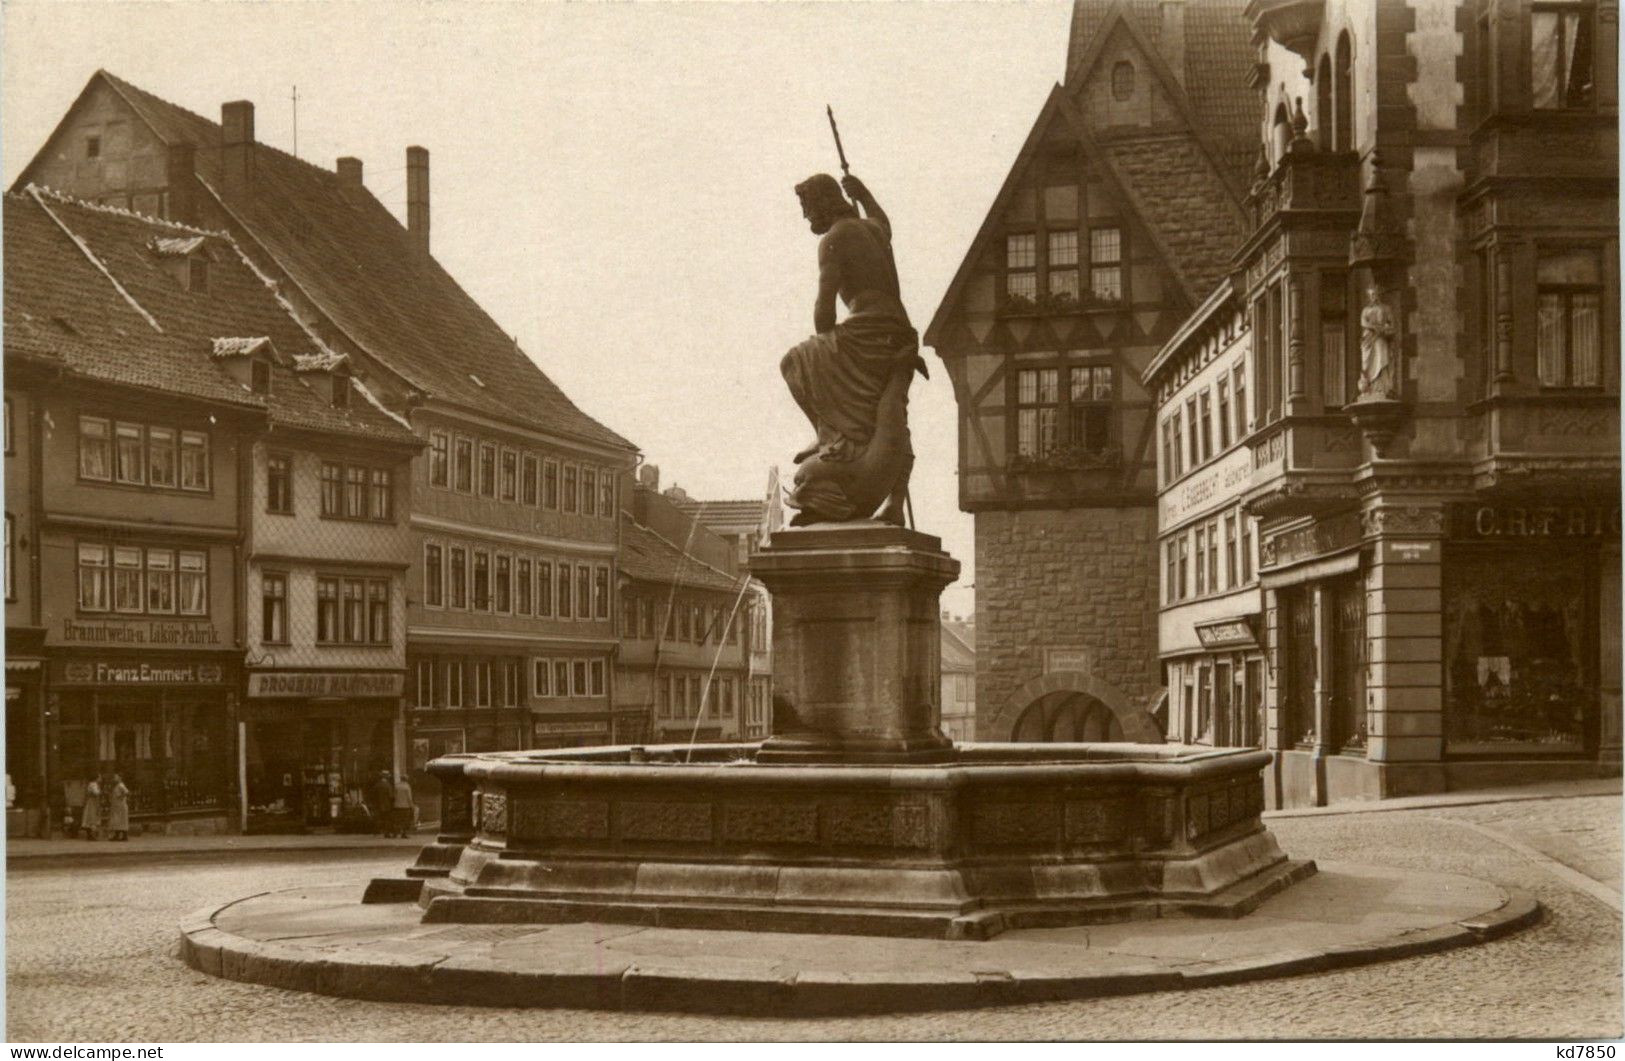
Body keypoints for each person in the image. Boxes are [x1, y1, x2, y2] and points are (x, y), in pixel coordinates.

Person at [779, 172, 927, 525]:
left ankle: (826, 434)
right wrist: (865, 192)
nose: (805, 216)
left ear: (823, 202)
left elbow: (824, 307)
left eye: (807, 206)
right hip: (900, 330)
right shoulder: (871, 229)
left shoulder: (833, 238)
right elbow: (884, 221)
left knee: (794, 362)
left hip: (868, 328)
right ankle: (894, 503)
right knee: (888, 410)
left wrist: (827, 351)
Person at [105, 774, 130, 842]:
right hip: (117, 806)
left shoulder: (121, 785)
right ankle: (117, 835)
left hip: (121, 806)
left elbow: (126, 792)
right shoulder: (116, 786)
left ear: (120, 778)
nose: (114, 779)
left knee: (121, 820)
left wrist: (121, 797)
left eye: (115, 777)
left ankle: (124, 835)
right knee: (117, 821)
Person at [390, 773, 415, 839]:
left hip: (397, 805)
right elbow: (409, 798)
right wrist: (412, 805)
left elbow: (394, 796)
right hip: (405, 806)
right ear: (407, 779)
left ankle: (395, 834)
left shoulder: (396, 786)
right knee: (405, 820)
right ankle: (404, 834)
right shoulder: (407, 787)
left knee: (397, 820)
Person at [370, 771, 394, 837]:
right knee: (387, 819)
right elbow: (391, 796)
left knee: (378, 818)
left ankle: (376, 832)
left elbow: (372, 795)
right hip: (386, 805)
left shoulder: (377, 785)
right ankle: (387, 833)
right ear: (386, 777)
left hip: (377, 805)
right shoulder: (388, 785)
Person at [80, 775, 103, 841]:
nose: (100, 779)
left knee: (90, 818)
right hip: (92, 803)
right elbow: (96, 793)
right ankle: (91, 835)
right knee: (91, 817)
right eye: (99, 777)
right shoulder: (93, 784)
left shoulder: (94, 784)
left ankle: (90, 835)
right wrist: (99, 791)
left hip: (93, 802)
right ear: (96, 778)